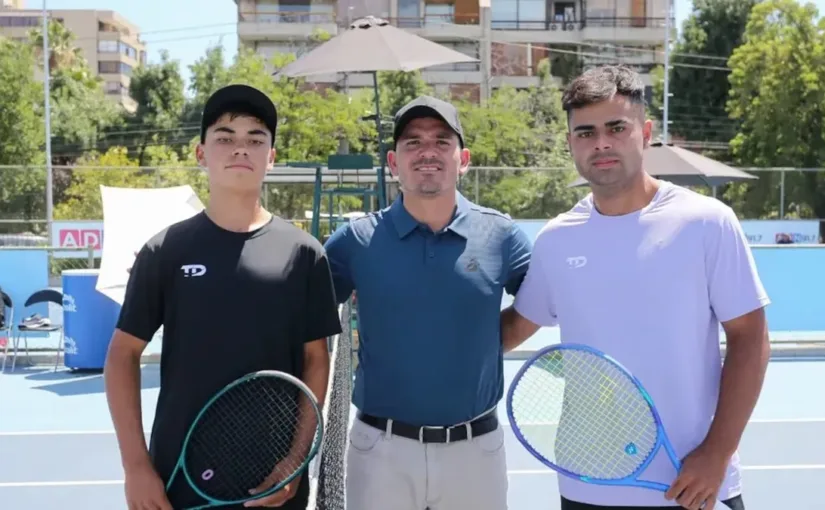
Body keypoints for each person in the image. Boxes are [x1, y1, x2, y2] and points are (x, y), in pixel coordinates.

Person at [501, 65, 771, 510]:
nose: (601, 143)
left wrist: (717, 454)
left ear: (645, 133)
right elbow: (513, 328)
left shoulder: (706, 222)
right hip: (587, 487)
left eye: (616, 127)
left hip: (695, 485)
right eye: (585, 132)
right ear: (570, 143)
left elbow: (750, 338)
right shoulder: (557, 238)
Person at [103, 84, 342, 510]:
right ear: (201, 154)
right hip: (179, 476)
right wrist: (136, 468)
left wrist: (295, 460)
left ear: (271, 157)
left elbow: (316, 362)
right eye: (225, 137)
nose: (240, 149)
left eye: (255, 139)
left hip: (274, 483)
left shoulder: (304, 254)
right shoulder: (165, 251)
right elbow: (122, 356)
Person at [323, 95, 533, 510]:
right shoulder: (354, 242)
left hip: (476, 451)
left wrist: (485, 346)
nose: (427, 152)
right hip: (379, 451)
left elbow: (539, 304)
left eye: (441, 141)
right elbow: (306, 323)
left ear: (464, 158)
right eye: (413, 142)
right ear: (392, 161)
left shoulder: (503, 236)